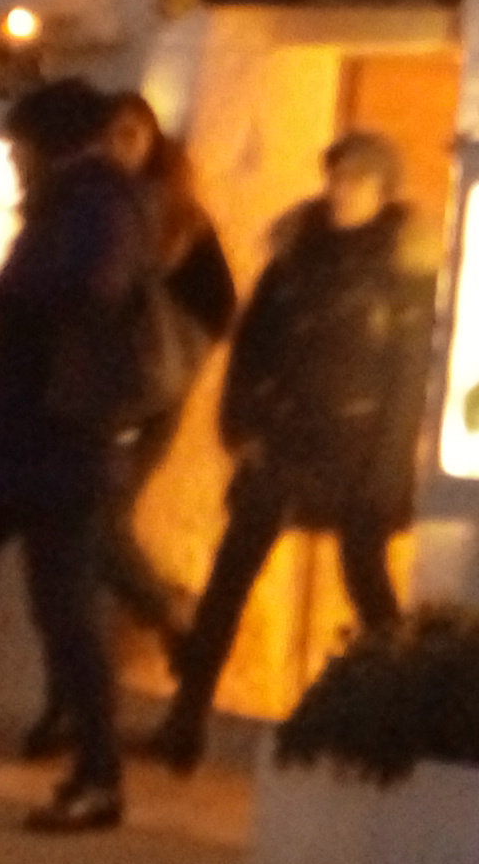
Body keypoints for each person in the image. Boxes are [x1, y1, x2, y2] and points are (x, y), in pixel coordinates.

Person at [0, 76, 153, 836]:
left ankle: (93, 776)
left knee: (49, 609)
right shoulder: (89, 199)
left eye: (18, 146)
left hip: (51, 441)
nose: (13, 161)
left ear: (45, 142)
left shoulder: (93, 201)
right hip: (34, 440)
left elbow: (90, 288)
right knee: (35, 607)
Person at [147, 130, 431, 773]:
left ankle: (411, 721)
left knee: (367, 581)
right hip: (284, 441)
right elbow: (252, 347)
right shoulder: (296, 255)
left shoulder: (404, 271)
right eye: (337, 175)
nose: (343, 190)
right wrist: (242, 429)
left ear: (384, 190)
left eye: (359, 178)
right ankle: (187, 715)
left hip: (356, 448)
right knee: (229, 580)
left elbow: (407, 381)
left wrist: (386, 471)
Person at [51, 95, 231, 742]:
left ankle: (164, 618)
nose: (120, 146)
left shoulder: (174, 217)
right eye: (111, 134)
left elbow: (219, 303)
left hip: (146, 393)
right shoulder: (90, 206)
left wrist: (168, 356)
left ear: (153, 141)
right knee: (85, 528)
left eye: (133, 133)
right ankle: (161, 619)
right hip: (98, 389)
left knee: (97, 517)